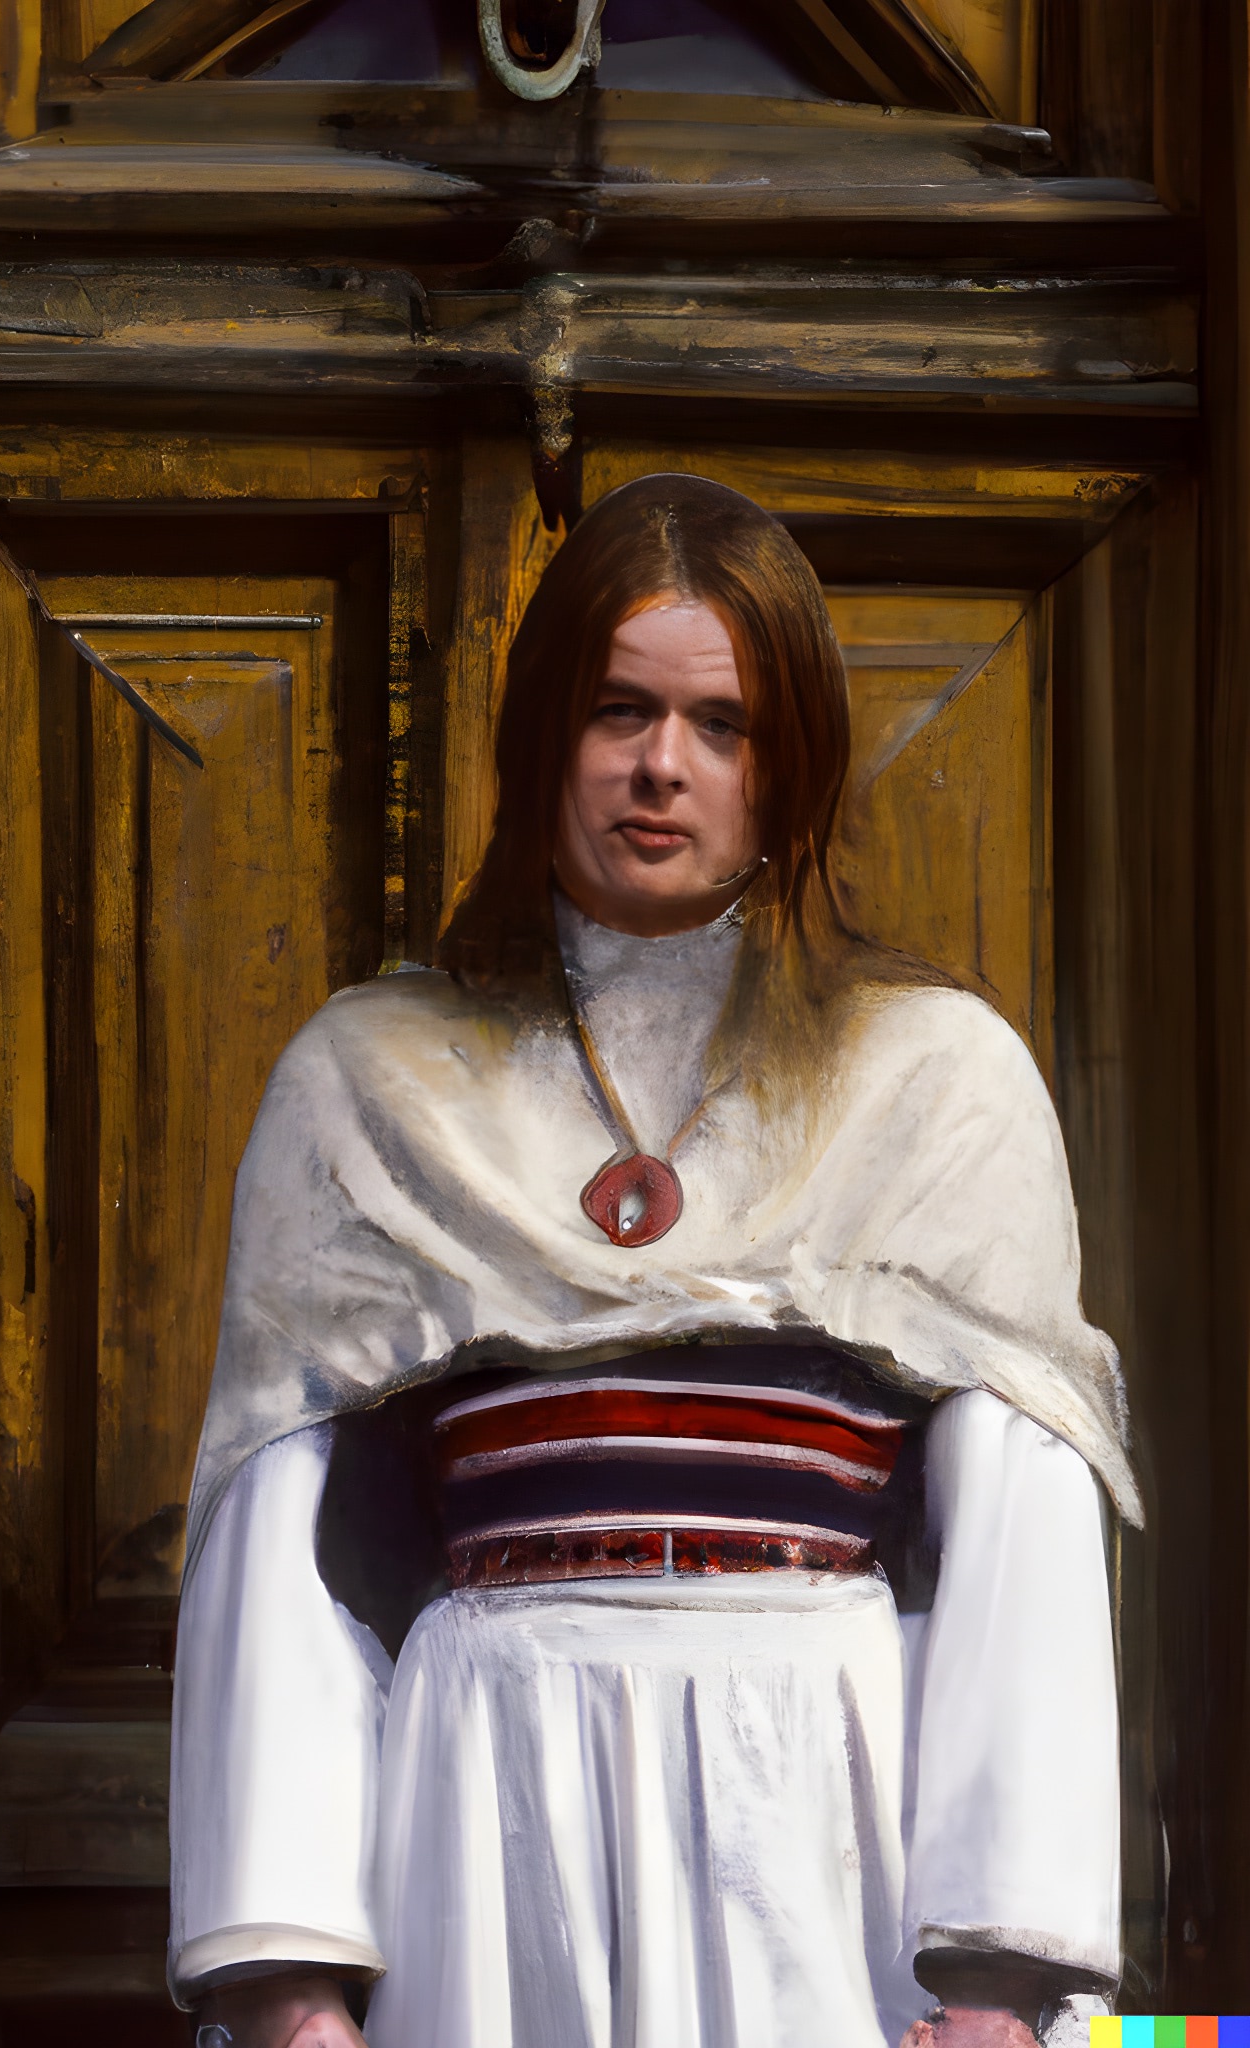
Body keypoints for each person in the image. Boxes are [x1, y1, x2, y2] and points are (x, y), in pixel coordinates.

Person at [166, 475, 1135, 2048]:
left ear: (789, 763)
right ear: (547, 732)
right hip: (484, 1791)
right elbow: (281, 1549)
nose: (661, 766)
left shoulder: (936, 1079)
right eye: (619, 710)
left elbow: (1019, 1531)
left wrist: (999, 1984)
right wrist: (288, 1988)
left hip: (813, 1793)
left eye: (722, 725)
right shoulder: (371, 1078)